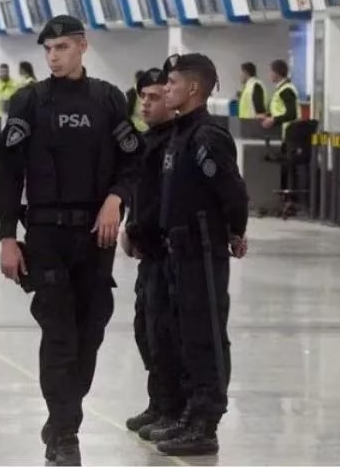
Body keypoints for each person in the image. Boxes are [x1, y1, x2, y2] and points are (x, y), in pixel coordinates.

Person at [0, 14, 142, 466]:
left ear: (82, 46)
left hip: (94, 236)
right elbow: (9, 174)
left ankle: (64, 415)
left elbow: (132, 163)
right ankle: (64, 433)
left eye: (61, 47)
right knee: (59, 335)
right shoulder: (29, 102)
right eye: (48, 49)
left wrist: (117, 199)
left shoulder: (108, 100)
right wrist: (5, 236)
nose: (53, 56)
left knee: (90, 332)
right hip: (45, 234)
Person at [156, 52, 249, 456]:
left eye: (173, 82)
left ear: (193, 88)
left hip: (202, 246)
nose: (166, 89)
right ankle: (191, 413)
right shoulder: (181, 133)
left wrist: (235, 230)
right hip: (179, 248)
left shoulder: (207, 136)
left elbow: (232, 190)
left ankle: (206, 423)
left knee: (206, 335)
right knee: (185, 335)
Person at [121, 63, 186, 440]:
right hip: (148, 251)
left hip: (169, 252)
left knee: (166, 332)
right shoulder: (147, 142)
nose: (145, 104)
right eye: (142, 97)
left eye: (154, 97)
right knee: (146, 329)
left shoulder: (176, 142)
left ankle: (175, 407)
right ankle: (159, 402)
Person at [260, 59, 298, 138]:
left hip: (289, 133)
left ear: (277, 73)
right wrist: (268, 116)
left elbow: (292, 114)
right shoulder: (281, 89)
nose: (270, 75)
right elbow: (279, 111)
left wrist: (273, 120)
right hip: (283, 132)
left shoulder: (286, 90)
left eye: (271, 72)